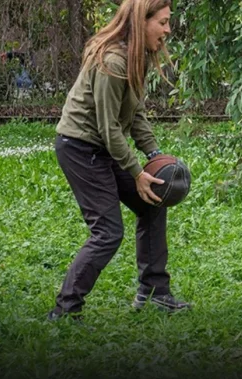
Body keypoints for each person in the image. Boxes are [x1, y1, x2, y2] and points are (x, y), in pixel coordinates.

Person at [47, 0, 191, 322]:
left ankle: (154, 293)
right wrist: (137, 171)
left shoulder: (137, 56)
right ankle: (65, 310)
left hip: (104, 146)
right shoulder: (112, 60)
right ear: (143, 20)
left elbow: (135, 113)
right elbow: (107, 127)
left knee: (153, 202)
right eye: (163, 22)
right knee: (108, 232)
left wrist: (154, 156)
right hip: (81, 148)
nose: (168, 30)